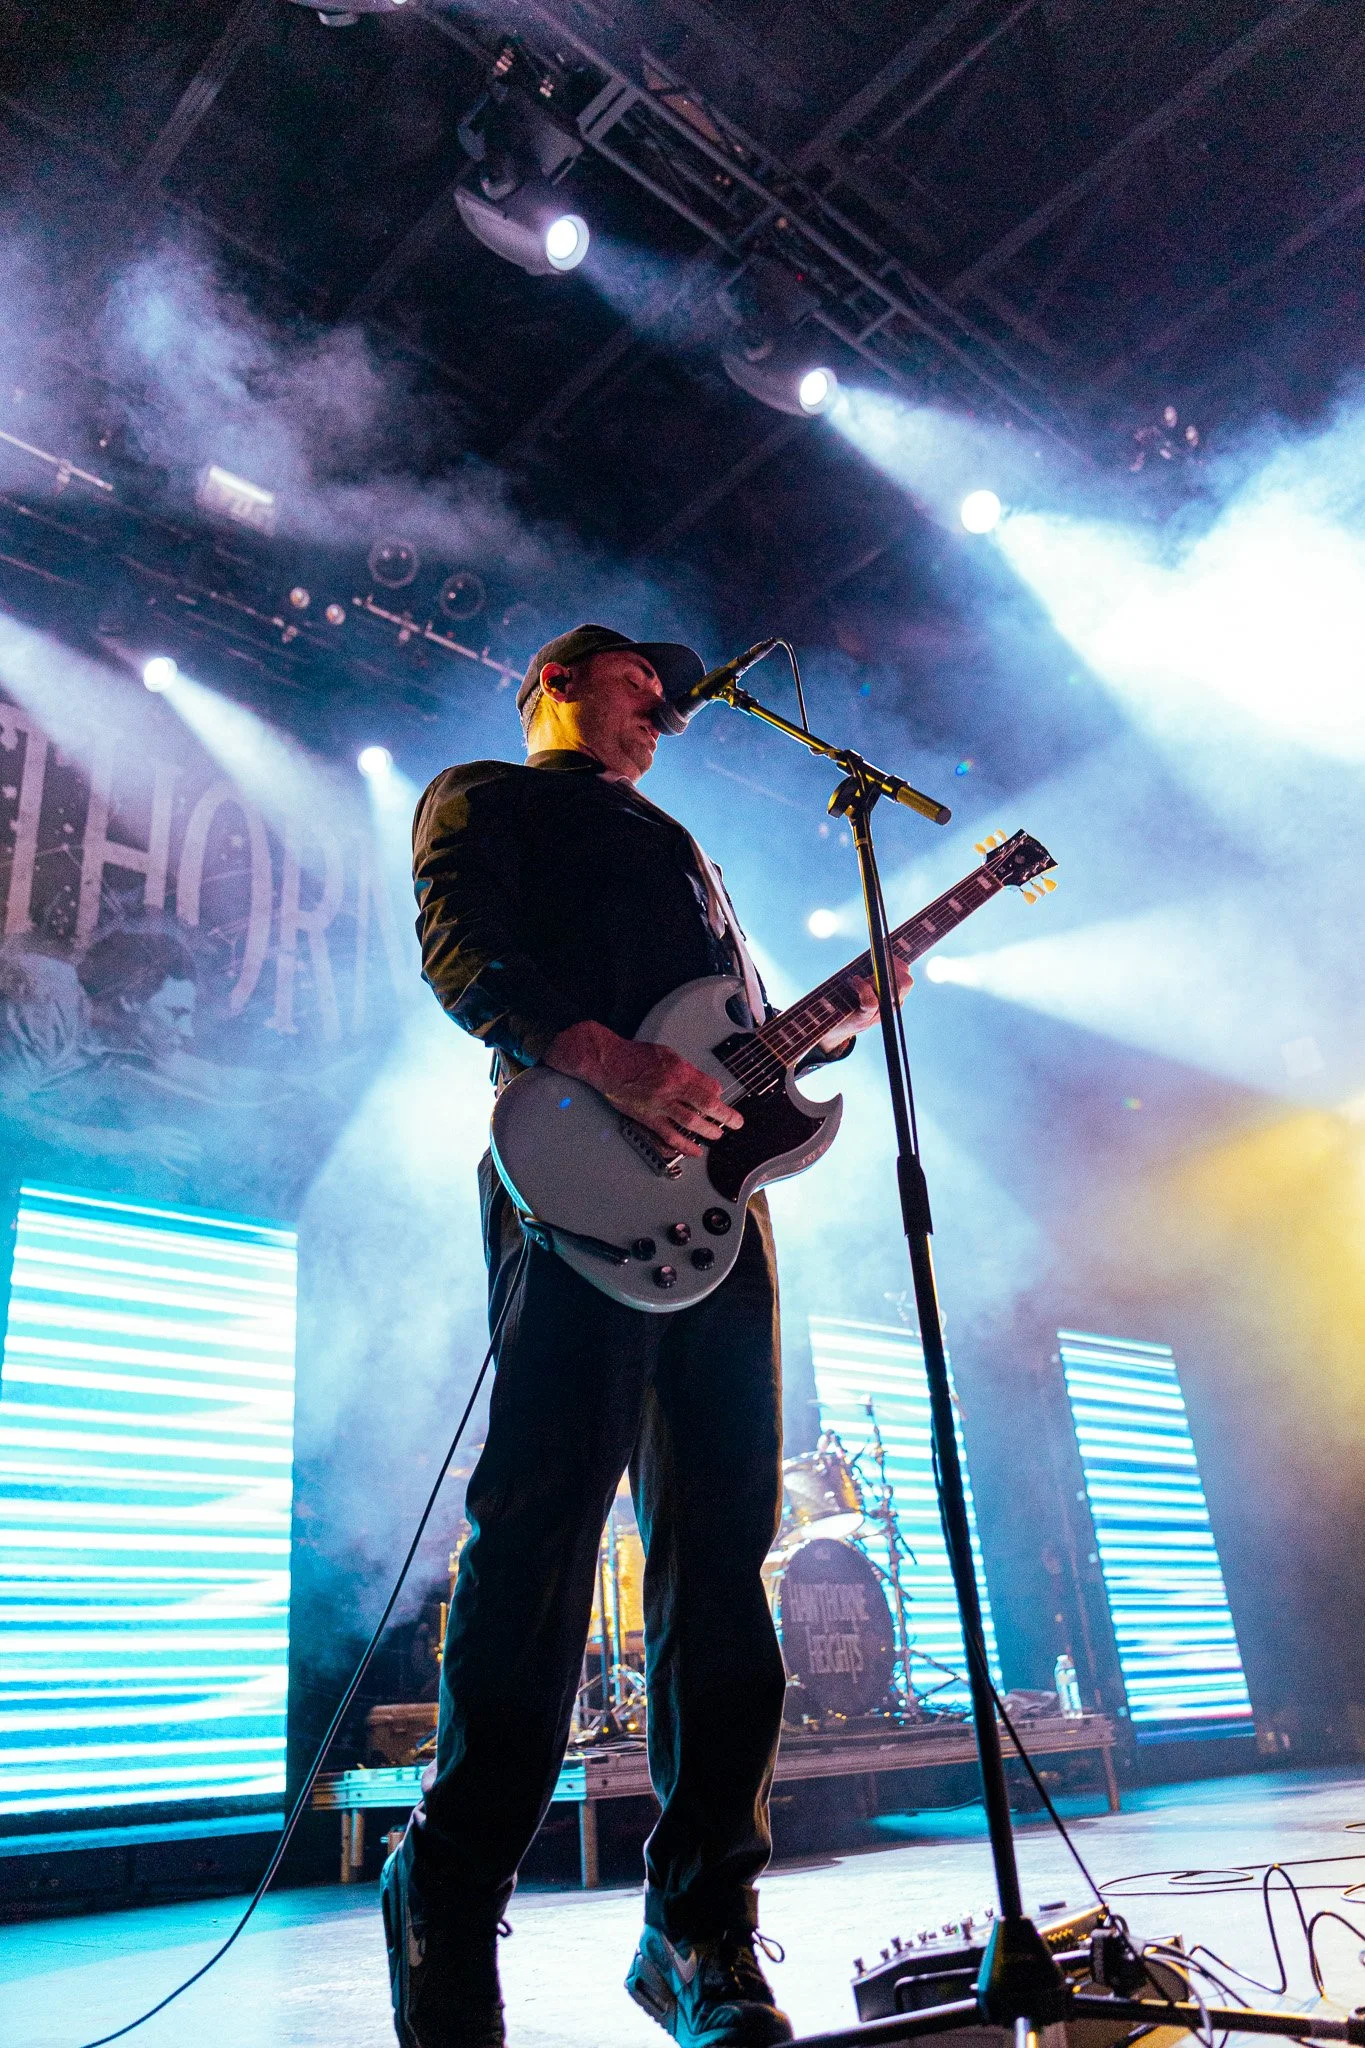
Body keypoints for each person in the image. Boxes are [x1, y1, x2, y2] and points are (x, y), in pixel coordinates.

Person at [385, 624, 908, 2048]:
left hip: (720, 1225)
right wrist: (614, 1061)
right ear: (560, 680)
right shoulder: (485, 794)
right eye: (639, 686)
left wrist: (833, 1023)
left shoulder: (682, 842)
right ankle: (445, 1890)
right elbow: (463, 953)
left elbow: (729, 1036)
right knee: (543, 1537)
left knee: (723, 1561)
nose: (664, 711)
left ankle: (699, 1931)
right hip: (573, 1191)